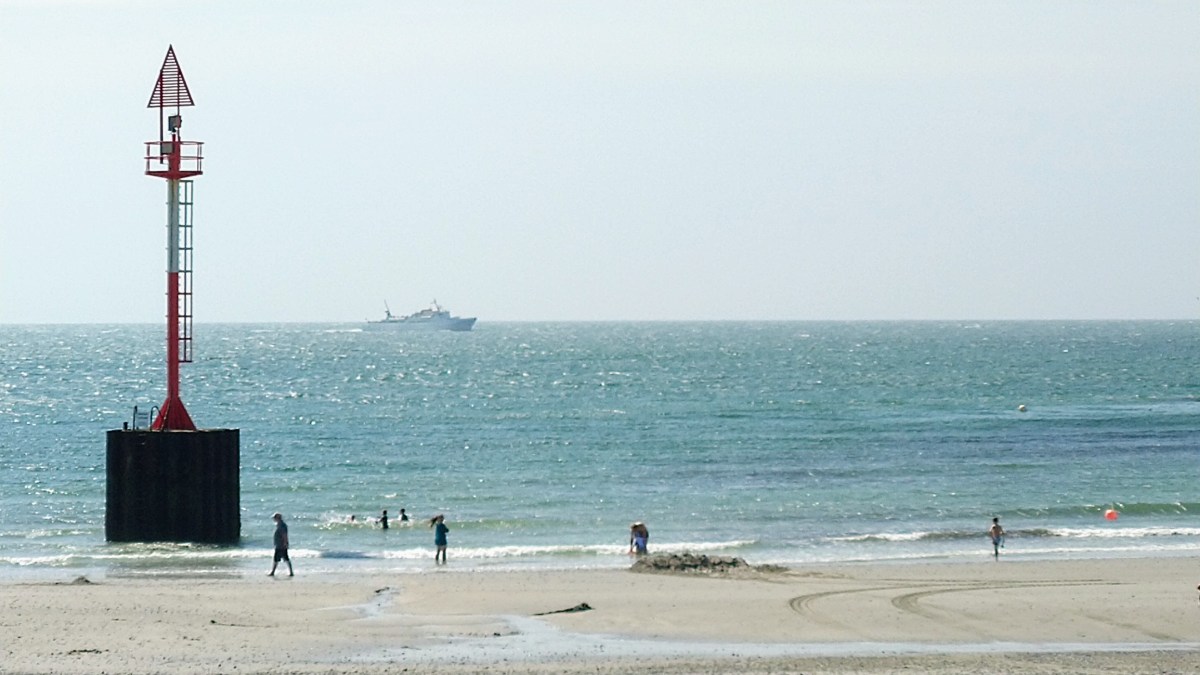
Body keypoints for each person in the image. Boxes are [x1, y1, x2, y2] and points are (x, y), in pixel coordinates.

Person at [269, 512, 294, 577]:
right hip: (279, 544)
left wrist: (285, 543)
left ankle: (273, 572)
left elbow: (284, 535)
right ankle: (290, 572)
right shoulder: (279, 525)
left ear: (278, 518)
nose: (274, 519)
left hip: (281, 545)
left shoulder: (282, 525)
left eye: (275, 518)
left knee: (281, 558)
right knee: (281, 558)